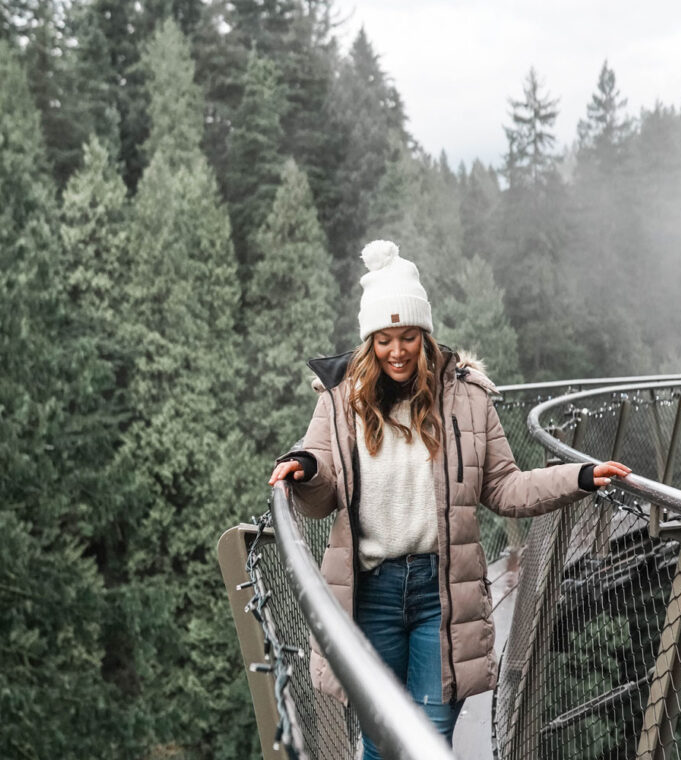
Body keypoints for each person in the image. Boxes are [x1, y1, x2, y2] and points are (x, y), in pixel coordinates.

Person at [268, 240, 631, 757]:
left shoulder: (467, 397)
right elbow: (322, 485)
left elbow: (504, 487)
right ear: (370, 341)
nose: (398, 351)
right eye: (386, 339)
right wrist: (303, 468)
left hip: (442, 593)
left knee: (431, 739)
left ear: (425, 335)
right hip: (370, 593)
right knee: (379, 740)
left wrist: (579, 476)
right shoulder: (340, 400)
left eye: (409, 337)